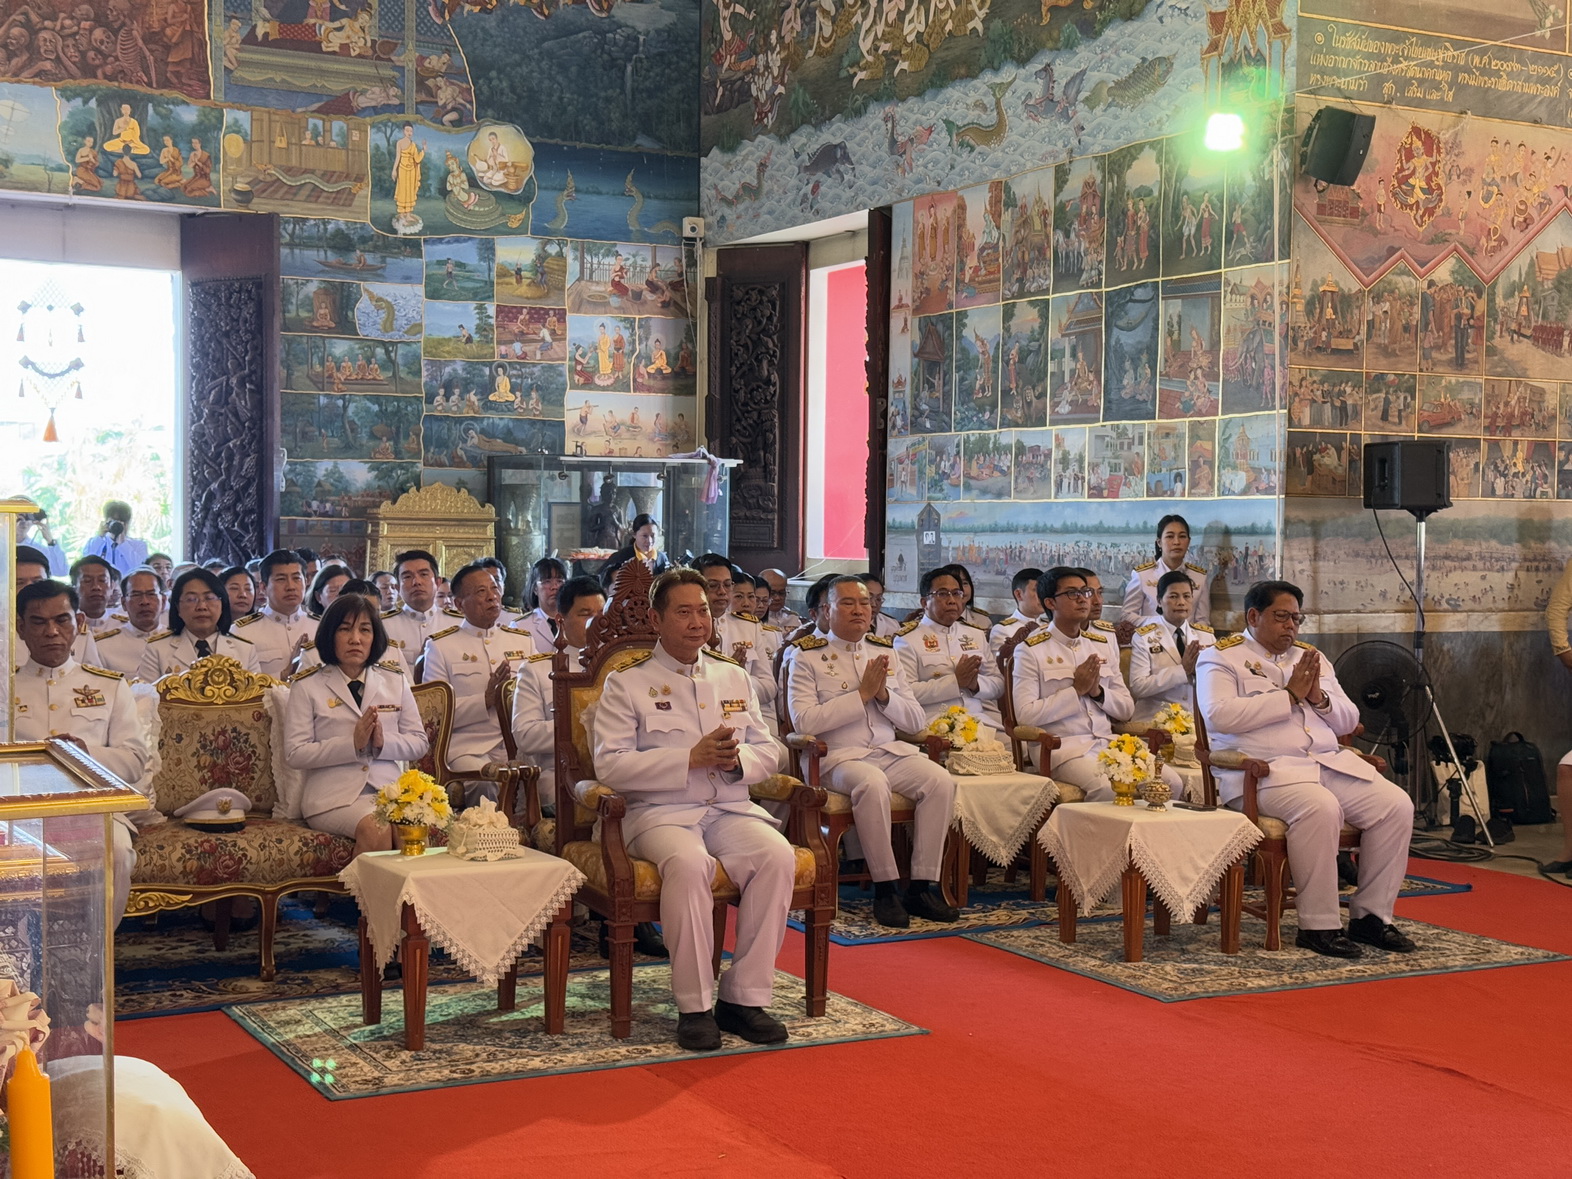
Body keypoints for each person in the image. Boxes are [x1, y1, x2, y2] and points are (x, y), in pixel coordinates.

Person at [592, 569, 796, 1051]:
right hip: (659, 814)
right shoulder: (628, 682)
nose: (697, 622)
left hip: (728, 807)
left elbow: (773, 750)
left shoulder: (732, 675)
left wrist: (737, 762)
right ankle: (695, 1006)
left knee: (777, 856)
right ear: (656, 619)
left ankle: (743, 998)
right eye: (683, 612)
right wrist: (688, 758)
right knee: (689, 865)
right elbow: (610, 764)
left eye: (702, 610)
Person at [1196, 580, 1417, 958]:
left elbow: (1349, 720)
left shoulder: (1311, 657)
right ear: (1254, 616)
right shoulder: (1220, 657)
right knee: (1320, 807)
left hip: (1325, 763)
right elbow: (1220, 716)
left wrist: (1319, 697)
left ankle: (1371, 917)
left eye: (1296, 619)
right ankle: (1319, 925)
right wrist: (1289, 696)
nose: (1291, 626)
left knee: (1396, 805)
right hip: (1264, 774)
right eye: (1281, 617)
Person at [788, 575, 958, 928]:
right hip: (836, 757)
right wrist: (861, 695)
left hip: (886, 751)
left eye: (864, 603)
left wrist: (883, 695)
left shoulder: (885, 652)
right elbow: (803, 722)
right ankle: (886, 888)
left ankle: (922, 886)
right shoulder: (806, 656)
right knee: (872, 783)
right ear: (826, 611)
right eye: (847, 603)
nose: (859, 610)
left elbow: (914, 720)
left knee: (940, 780)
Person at [13, 579, 146, 926]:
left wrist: (86, 754)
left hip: (93, 807)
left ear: (79, 622)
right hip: (20, 811)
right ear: (21, 627)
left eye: (62, 620)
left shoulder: (109, 686)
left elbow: (134, 761)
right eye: (39, 622)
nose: (51, 632)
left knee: (117, 852)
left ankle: (101, 949)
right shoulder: (5, 688)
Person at [1012, 567, 1182, 802]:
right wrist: (1075, 691)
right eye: (1072, 593)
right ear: (1050, 602)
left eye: (1085, 592)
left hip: (1107, 744)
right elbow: (1025, 715)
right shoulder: (1031, 650)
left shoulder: (1100, 645)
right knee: (1108, 788)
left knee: (1171, 782)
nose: (1083, 599)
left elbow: (1126, 709)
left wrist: (1097, 692)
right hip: (1063, 749)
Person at [283, 593, 428, 860]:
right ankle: (362, 891)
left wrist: (383, 743)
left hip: (389, 792)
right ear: (330, 635)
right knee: (376, 827)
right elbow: (295, 753)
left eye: (364, 630)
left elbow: (419, 742)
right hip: (333, 797)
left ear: (375, 637)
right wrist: (352, 744)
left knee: (413, 830)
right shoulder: (307, 685)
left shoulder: (394, 680)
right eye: (345, 629)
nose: (355, 639)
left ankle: (411, 891)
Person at [420, 563, 533, 795]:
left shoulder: (522, 641)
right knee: (486, 782)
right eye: (481, 592)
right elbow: (433, 717)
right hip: (468, 749)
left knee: (546, 779)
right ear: (460, 604)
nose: (492, 597)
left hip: (519, 745)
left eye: (494, 588)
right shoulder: (441, 647)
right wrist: (485, 700)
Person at [894, 566, 1003, 727]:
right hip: (935, 724)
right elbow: (905, 692)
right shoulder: (907, 639)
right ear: (924, 602)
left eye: (956, 593)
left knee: (1013, 742)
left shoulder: (976, 634)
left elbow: (999, 684)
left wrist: (975, 684)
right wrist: (954, 682)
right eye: (943, 594)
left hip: (979, 721)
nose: (952, 600)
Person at [1127, 569, 1216, 727]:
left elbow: (1215, 682)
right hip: (1155, 721)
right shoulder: (1144, 637)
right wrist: (1182, 670)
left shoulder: (1206, 636)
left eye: (1187, 596)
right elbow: (1138, 687)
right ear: (1159, 601)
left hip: (1196, 721)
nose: (1181, 602)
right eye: (1173, 596)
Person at [694, 555, 777, 722]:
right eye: (713, 585)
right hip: (699, 717)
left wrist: (738, 677)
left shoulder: (748, 627)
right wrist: (729, 675)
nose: (722, 592)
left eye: (727, 585)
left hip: (745, 716)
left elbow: (769, 688)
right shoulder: (685, 627)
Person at [139, 568, 259, 681]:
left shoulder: (245, 649)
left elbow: (258, 694)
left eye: (209, 598)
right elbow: (145, 695)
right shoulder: (157, 649)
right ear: (177, 607)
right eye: (191, 599)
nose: (201, 606)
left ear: (222, 604)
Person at [1121, 514, 1213, 628]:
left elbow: (1203, 620)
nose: (1176, 542)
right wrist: (1159, 623)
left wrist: (1189, 636)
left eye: (1182, 536)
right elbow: (1127, 615)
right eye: (1170, 536)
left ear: (1189, 542)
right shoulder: (1142, 575)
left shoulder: (1199, 577)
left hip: (1188, 638)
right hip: (1153, 636)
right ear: (1159, 542)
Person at [234, 550, 313, 679]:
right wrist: (283, 675)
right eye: (281, 579)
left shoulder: (321, 626)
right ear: (263, 587)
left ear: (306, 582)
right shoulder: (242, 632)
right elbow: (238, 684)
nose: (291, 587)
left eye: (296, 578)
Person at [381, 550, 444, 674]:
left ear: (437, 582)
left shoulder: (458, 623)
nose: (417, 582)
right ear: (398, 588)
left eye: (424, 574)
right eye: (407, 577)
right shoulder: (382, 626)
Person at [95, 567, 166, 677]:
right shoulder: (103, 647)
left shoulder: (178, 640)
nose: (144, 602)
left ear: (164, 601)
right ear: (124, 603)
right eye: (136, 595)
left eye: (151, 594)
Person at [600, 514, 671, 587]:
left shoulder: (662, 558)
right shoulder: (621, 557)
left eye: (653, 536)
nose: (649, 541)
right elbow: (599, 578)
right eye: (644, 536)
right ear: (634, 534)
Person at [81, 500, 149, 576]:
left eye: (122, 521)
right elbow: (85, 565)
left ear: (128, 523)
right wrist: (99, 536)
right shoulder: (95, 543)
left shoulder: (139, 545)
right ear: (106, 521)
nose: (117, 525)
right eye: (113, 521)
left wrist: (123, 545)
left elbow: (142, 570)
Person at [989, 567, 1046, 657]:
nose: (1043, 595)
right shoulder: (1002, 629)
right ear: (1019, 594)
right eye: (1037, 590)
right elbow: (1002, 664)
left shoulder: (1050, 625)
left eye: (1044, 590)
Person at [70, 556, 120, 636]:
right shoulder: (66, 627)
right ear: (74, 588)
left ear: (112, 586)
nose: (96, 587)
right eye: (87, 581)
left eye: (102, 580)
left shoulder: (125, 626)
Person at [16, 511, 67, 575]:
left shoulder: (38, 550)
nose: (24, 523)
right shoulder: (4, 546)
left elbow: (61, 571)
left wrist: (51, 542)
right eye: (20, 518)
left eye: (29, 518)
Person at [949, 564, 993, 630]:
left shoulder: (983, 621)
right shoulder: (933, 621)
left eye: (965, 583)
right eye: (955, 584)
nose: (962, 589)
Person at [860, 572, 899, 638]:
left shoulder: (892, 625)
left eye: (878, 599)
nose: (874, 604)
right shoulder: (844, 624)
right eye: (869, 597)